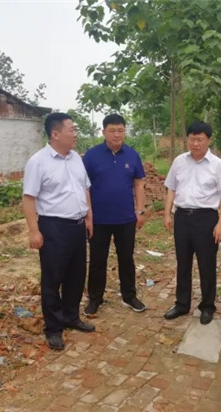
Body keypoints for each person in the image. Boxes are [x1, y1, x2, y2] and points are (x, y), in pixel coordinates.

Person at [22, 112, 95, 352]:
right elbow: (29, 198)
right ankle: (53, 327)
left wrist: (89, 217)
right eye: (71, 130)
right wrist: (34, 231)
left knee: (76, 275)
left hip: (77, 226)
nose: (75, 134)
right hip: (54, 227)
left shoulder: (76, 159)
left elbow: (85, 189)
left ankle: (71, 316)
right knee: (53, 279)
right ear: (55, 133)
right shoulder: (38, 162)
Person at [162, 121, 221, 325]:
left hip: (206, 219)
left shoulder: (218, 165)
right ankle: (182, 304)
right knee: (183, 263)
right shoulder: (179, 161)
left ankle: (207, 306)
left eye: (200, 140)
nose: (195, 144)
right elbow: (171, 188)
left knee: (207, 264)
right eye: (192, 139)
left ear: (208, 140)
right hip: (182, 218)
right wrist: (167, 214)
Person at [82, 114, 146, 316]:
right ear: (103, 132)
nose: (117, 135)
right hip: (98, 220)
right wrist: (87, 215)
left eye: (120, 130)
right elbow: (84, 186)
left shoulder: (132, 155)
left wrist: (140, 210)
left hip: (125, 218)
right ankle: (95, 298)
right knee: (97, 261)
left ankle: (129, 296)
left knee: (126, 259)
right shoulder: (91, 156)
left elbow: (139, 184)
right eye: (112, 131)